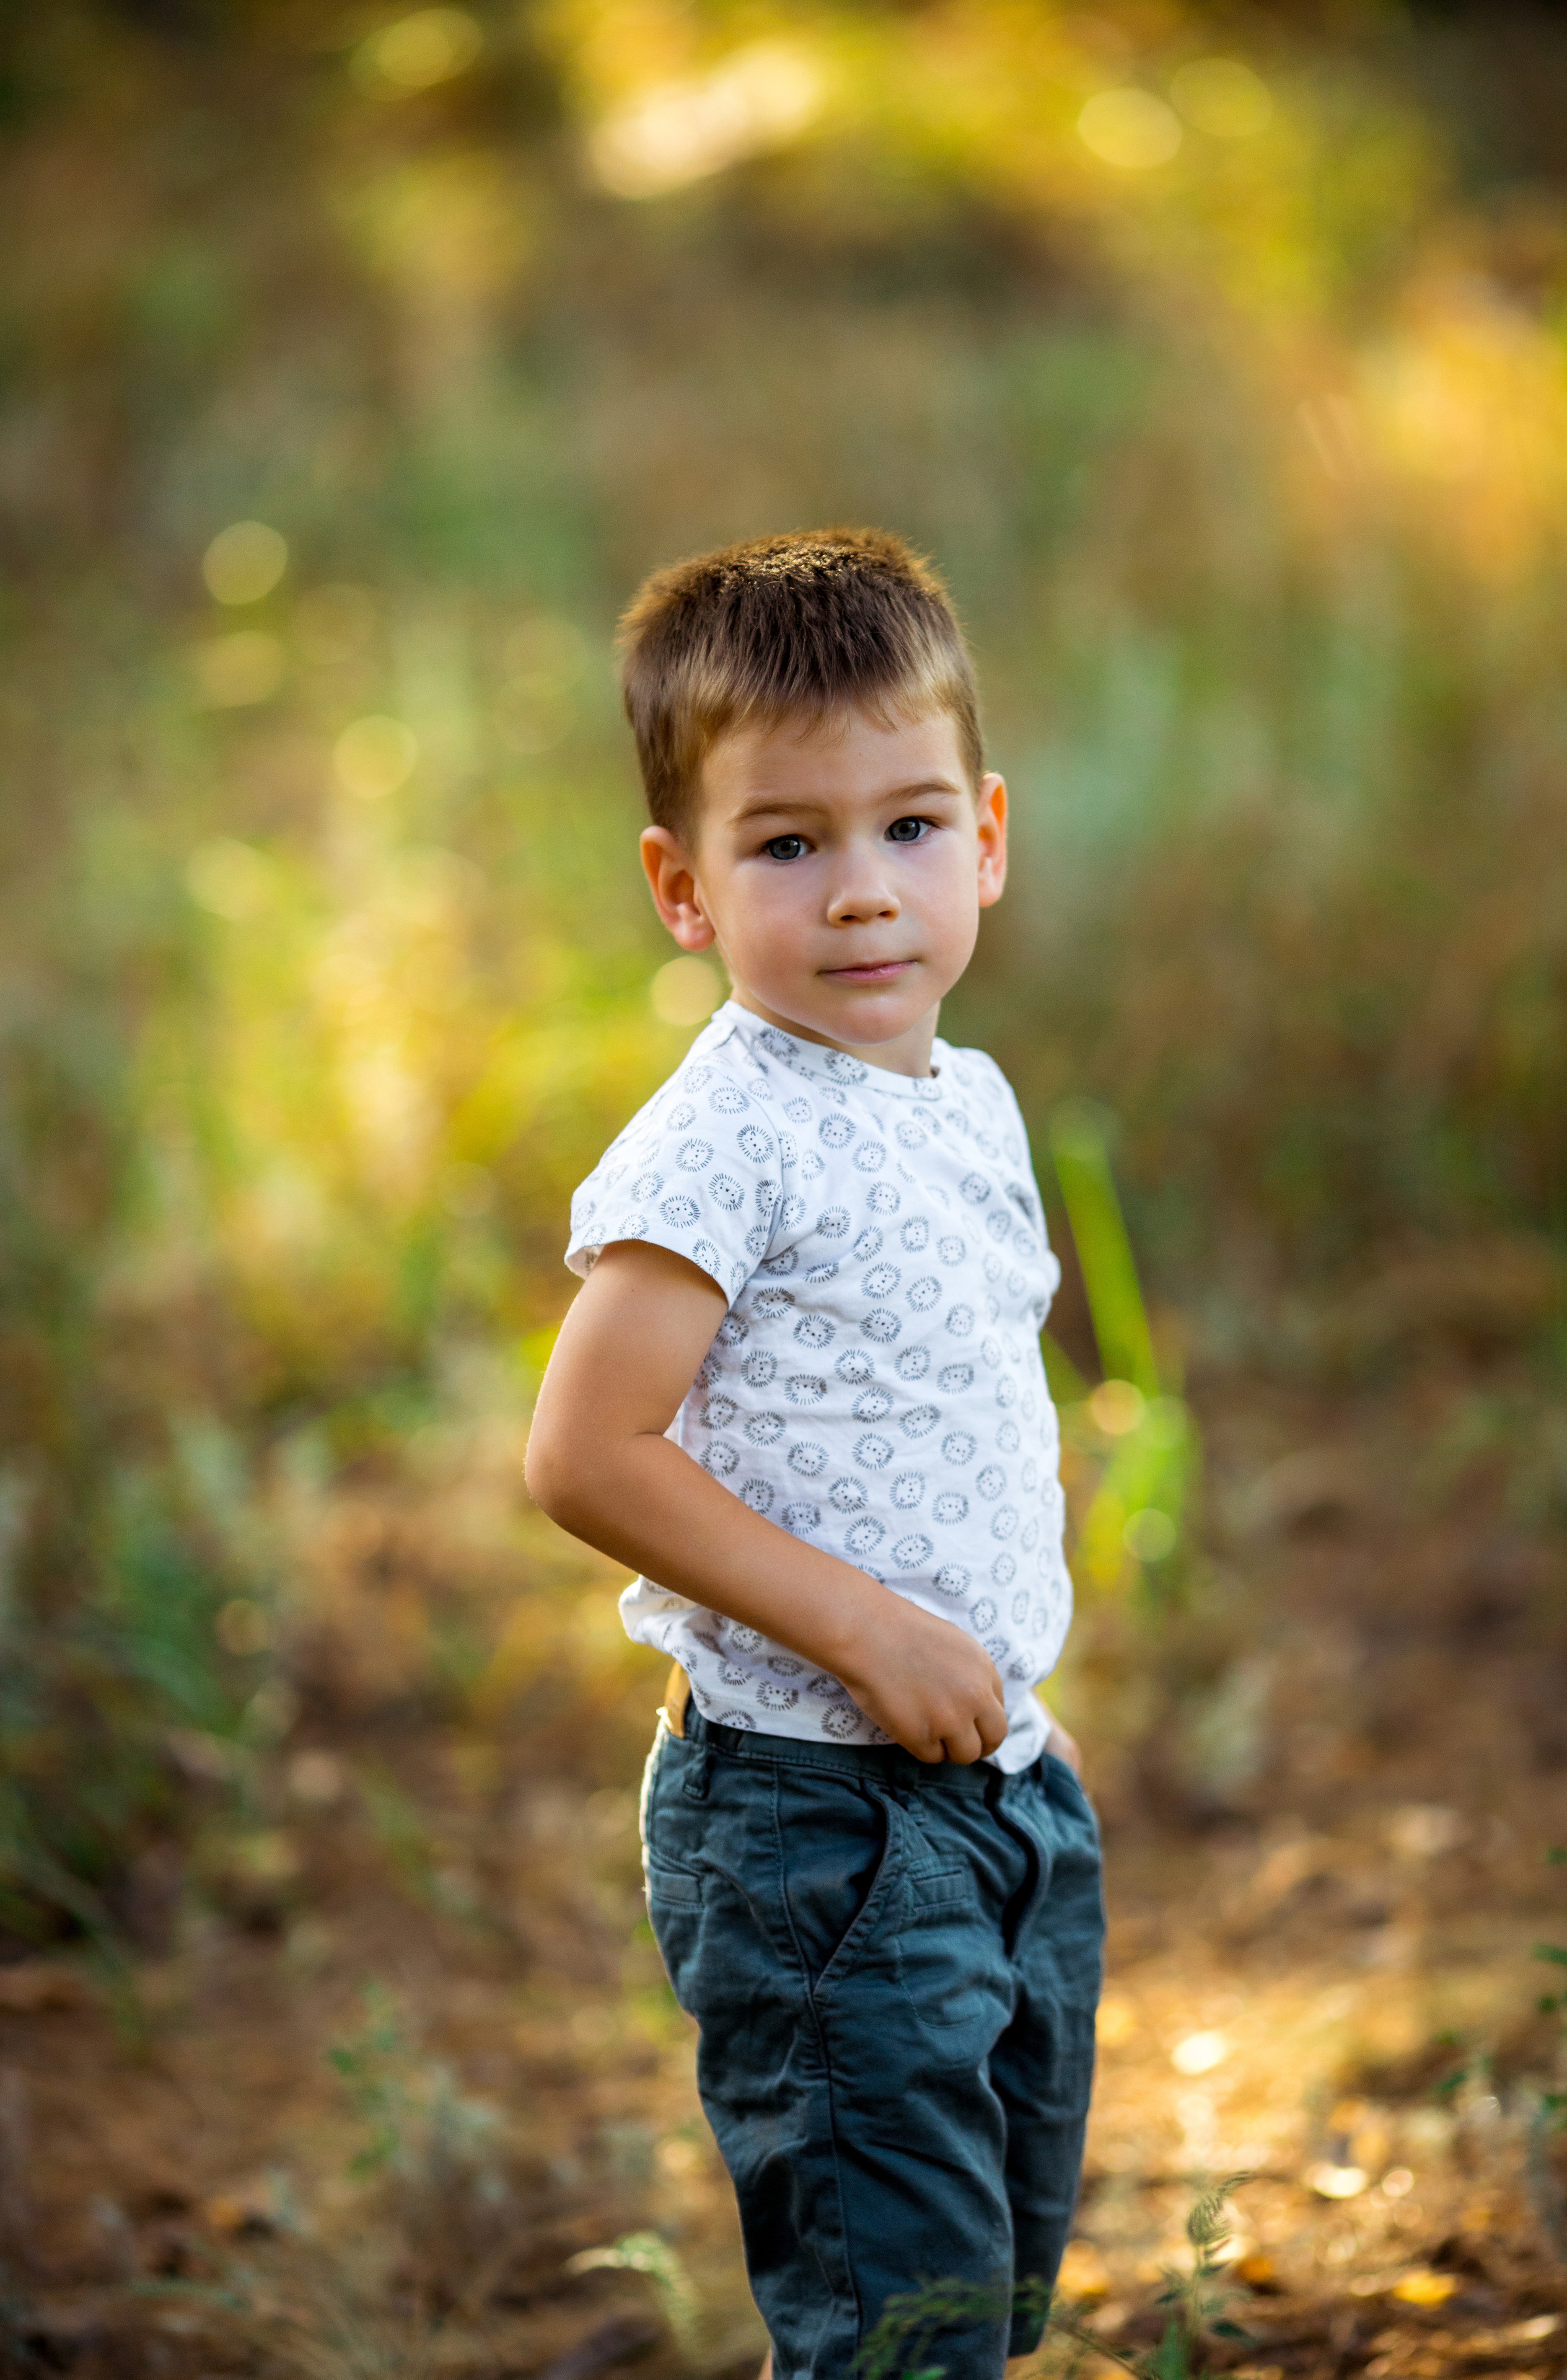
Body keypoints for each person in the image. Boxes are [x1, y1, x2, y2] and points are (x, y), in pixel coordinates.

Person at [524, 529, 1105, 2380]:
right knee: (894, 2325)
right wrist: (865, 1629)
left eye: (910, 827)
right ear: (680, 886)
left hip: (1000, 1780)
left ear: (987, 838)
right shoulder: (723, 1141)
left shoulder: (970, 1096)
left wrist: (1005, 1679)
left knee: (989, 2281)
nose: (862, 893)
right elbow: (586, 1451)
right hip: (814, 1819)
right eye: (786, 846)